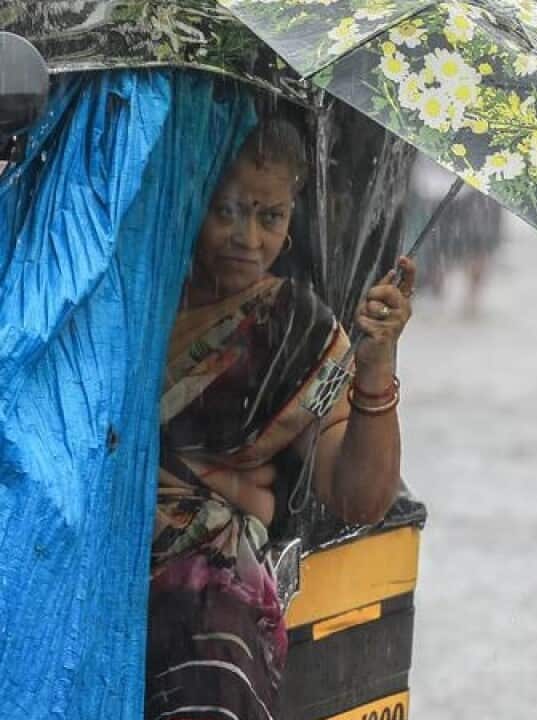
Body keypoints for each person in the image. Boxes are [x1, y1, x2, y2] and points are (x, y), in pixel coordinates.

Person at [146, 116, 418, 719]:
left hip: (210, 609)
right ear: (192, 199)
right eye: (229, 211)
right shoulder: (134, 299)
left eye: (269, 217)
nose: (248, 237)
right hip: (101, 568)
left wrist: (375, 368)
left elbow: (359, 498)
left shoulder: (293, 330)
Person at [405, 155, 505, 319]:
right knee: (442, 250)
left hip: (471, 185)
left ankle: (469, 302)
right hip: (434, 186)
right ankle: (450, 300)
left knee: (476, 248)